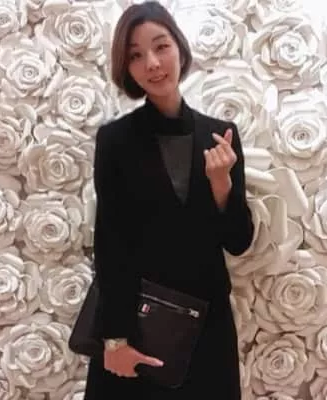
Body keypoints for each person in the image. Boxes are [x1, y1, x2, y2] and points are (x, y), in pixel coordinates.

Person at [83, 1, 254, 399]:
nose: (153, 63)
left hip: (208, 328)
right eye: (136, 55)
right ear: (126, 68)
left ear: (179, 47)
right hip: (138, 324)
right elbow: (110, 245)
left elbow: (238, 241)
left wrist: (221, 184)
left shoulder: (220, 135)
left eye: (161, 46)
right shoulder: (115, 141)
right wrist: (114, 338)